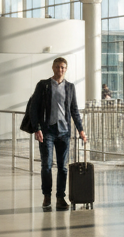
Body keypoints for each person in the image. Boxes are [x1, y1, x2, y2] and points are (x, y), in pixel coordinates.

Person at [29, 57, 86, 212]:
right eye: (58, 67)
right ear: (53, 68)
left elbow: (74, 110)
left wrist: (80, 130)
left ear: (65, 69)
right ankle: (47, 195)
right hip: (47, 130)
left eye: (63, 67)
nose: (60, 70)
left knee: (63, 167)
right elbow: (34, 108)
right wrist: (37, 128)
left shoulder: (70, 87)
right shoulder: (43, 85)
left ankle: (60, 197)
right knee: (46, 165)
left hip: (64, 131)